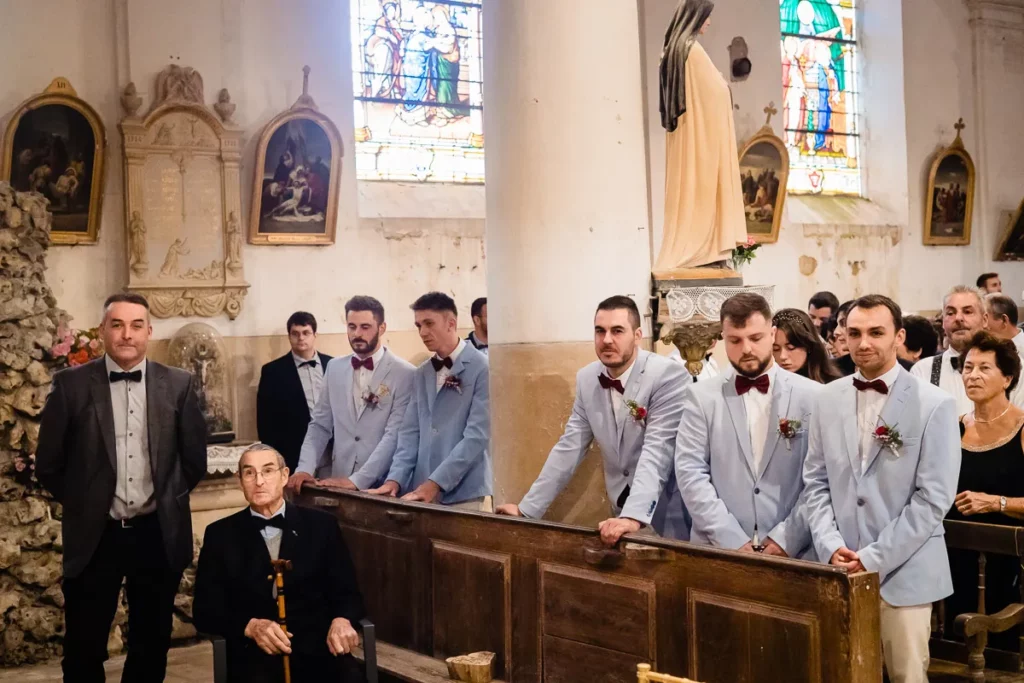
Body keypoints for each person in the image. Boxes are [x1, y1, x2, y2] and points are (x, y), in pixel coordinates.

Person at [36, 293, 208, 682]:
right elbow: (48, 463)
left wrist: (167, 500)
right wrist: (86, 503)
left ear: (149, 331)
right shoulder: (71, 385)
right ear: (102, 332)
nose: (126, 335)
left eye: (135, 326)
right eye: (117, 325)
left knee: (150, 643)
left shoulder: (179, 384)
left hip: (156, 531)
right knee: (83, 646)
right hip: (97, 535)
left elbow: (194, 460)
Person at [803, 295, 960, 683]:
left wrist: (873, 556)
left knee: (907, 676)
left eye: (876, 332)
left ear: (898, 336)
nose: (863, 343)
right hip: (840, 568)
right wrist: (827, 543)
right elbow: (816, 481)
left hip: (904, 571)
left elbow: (933, 499)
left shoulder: (935, 404)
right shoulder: (826, 398)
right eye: (853, 333)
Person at [494, 296, 690, 544]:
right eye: (600, 331)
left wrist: (634, 516)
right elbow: (569, 447)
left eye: (617, 331)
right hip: (620, 511)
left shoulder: (667, 375)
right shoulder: (588, 379)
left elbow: (657, 450)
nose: (607, 339)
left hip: (667, 508)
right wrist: (527, 509)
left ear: (638, 335)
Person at [193, 444, 365, 683]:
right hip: (255, 653)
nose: (259, 481)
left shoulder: (322, 526)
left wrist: (342, 620)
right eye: (250, 473)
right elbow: (205, 610)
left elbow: (348, 594)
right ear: (240, 480)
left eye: (268, 471)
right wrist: (250, 626)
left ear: (284, 476)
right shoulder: (220, 535)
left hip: (319, 650)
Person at [675, 294, 821, 557]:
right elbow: (690, 472)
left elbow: (820, 478)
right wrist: (730, 539)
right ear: (722, 337)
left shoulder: (813, 397)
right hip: (718, 549)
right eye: (735, 340)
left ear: (772, 333)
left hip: (797, 551)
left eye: (755, 338)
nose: (746, 349)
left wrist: (786, 539)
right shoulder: (701, 397)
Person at [368, 292, 491, 510]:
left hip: (464, 492)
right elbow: (409, 432)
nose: (423, 332)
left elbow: (477, 437)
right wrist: (395, 479)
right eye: (418, 326)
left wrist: (436, 483)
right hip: (420, 489)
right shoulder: (422, 372)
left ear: (451, 324)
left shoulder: (483, 368)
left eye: (429, 323)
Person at [653, 0, 747, 274]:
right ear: (695, 16)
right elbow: (716, 92)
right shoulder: (691, 50)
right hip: (701, 139)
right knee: (704, 192)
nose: (708, 23)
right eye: (706, 17)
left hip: (688, 137)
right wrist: (724, 85)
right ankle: (702, 251)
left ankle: (700, 250)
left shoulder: (672, 49)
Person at [288, 296, 416, 494]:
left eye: (365, 327)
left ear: (382, 328)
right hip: (339, 478)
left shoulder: (405, 373)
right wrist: (304, 468)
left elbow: (394, 435)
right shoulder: (334, 367)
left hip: (385, 483)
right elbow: (320, 425)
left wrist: (357, 480)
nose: (357, 334)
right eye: (351, 326)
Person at [946, 332, 1024, 652]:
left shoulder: (1022, 427)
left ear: (1007, 378)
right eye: (967, 367)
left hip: (1009, 560)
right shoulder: (955, 427)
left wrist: (995, 502)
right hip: (956, 553)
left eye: (984, 368)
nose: (972, 375)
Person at [257, 312, 333, 472]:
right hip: (293, 453)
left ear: (315, 335)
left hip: (332, 451)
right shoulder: (273, 371)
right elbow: (265, 421)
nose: (301, 338)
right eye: (295, 334)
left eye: (306, 333)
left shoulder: (333, 365)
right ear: (289, 336)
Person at [910, 286, 994, 415]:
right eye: (950, 313)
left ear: (985, 320)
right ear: (943, 322)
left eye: (967, 312)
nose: (958, 318)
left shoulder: (1008, 366)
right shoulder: (923, 371)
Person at [772, 308, 842, 384]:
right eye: (776, 349)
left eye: (790, 348)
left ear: (808, 346)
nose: (782, 356)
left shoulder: (832, 384)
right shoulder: (769, 384)